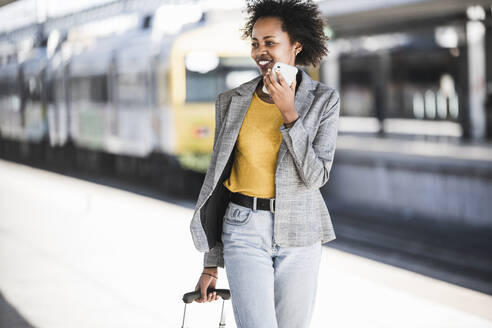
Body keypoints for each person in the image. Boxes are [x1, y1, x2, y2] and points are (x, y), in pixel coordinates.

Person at [189, 0, 340, 327]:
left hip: (301, 232)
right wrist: (210, 263)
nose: (261, 51)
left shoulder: (324, 101)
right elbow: (217, 184)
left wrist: (290, 114)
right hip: (243, 228)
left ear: (296, 45)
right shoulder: (231, 102)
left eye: (270, 43)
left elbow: (316, 176)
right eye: (255, 43)